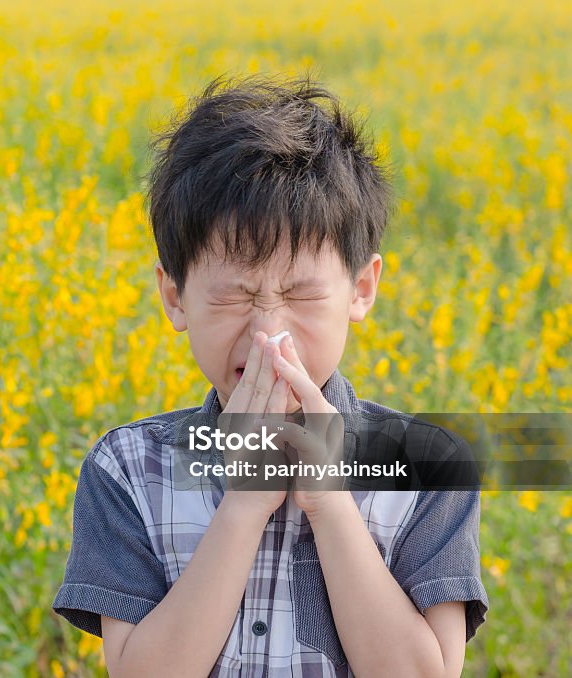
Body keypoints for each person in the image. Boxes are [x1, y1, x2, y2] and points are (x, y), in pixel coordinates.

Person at [51, 73, 488, 677]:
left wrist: (331, 504)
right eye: (233, 296)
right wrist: (243, 507)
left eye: (302, 295)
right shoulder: (127, 468)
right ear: (174, 299)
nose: (268, 334)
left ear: (361, 290)